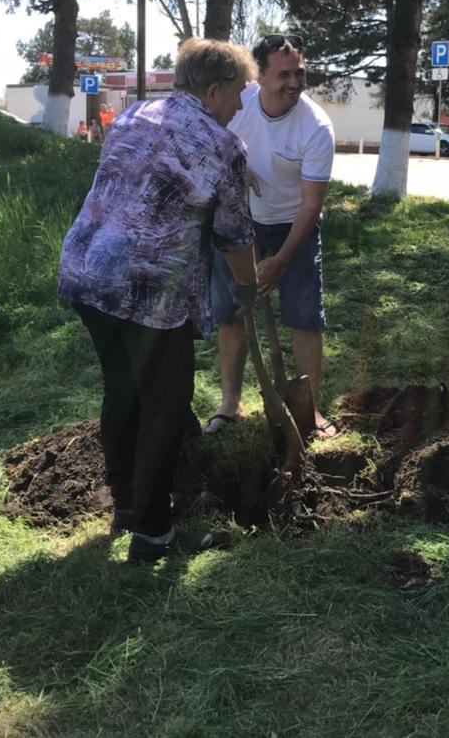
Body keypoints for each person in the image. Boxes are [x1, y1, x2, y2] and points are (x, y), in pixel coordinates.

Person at [57, 39, 260, 563]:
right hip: (147, 291)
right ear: (213, 90)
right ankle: (153, 533)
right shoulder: (224, 146)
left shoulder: (134, 115)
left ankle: (125, 504)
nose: (241, 106)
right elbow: (235, 237)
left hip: (87, 269)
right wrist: (250, 285)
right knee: (164, 408)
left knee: (123, 390)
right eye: (238, 93)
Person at [205, 33, 337, 437]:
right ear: (258, 76)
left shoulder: (316, 127)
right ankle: (230, 405)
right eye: (284, 75)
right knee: (231, 313)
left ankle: (309, 412)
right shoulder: (238, 103)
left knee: (305, 318)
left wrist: (280, 263)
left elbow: (311, 207)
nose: (295, 83)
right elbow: (209, 140)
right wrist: (236, 168)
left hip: (294, 225)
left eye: (300, 73)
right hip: (240, 224)